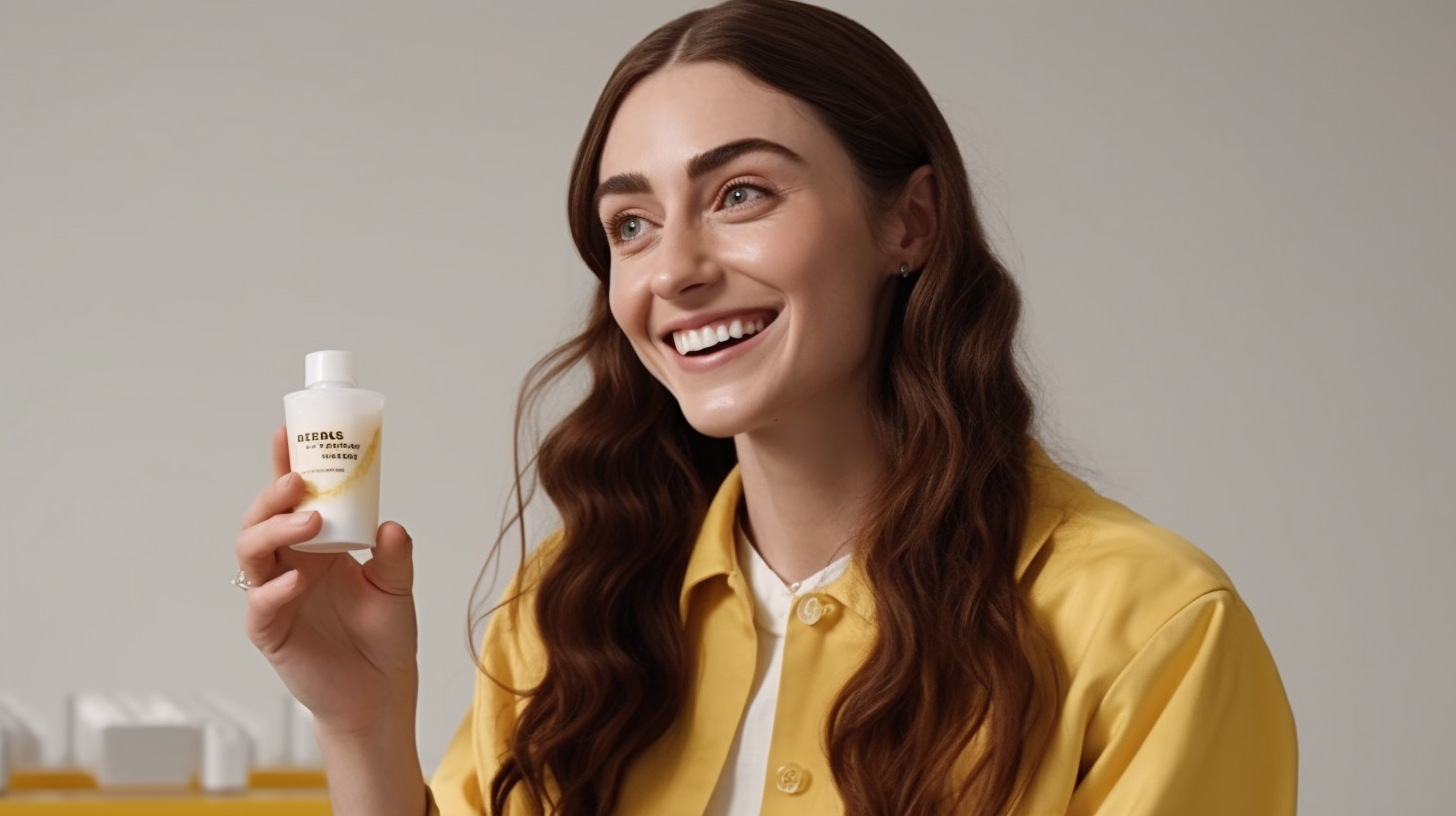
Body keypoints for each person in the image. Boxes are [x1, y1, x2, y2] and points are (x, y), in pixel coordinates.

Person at [234, 1, 1298, 814]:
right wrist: (362, 724)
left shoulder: (1153, 630)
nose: (676, 271)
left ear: (910, 224)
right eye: (632, 226)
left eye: (740, 194)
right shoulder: (573, 611)